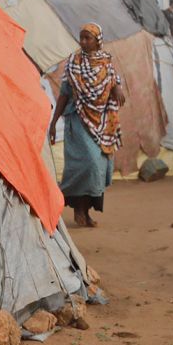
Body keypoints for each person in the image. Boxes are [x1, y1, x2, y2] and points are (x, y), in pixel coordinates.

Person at [48, 23, 126, 228]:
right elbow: (65, 93)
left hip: (102, 122)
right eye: (81, 38)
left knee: (99, 168)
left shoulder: (105, 62)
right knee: (87, 164)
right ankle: (77, 209)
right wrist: (54, 122)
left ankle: (86, 211)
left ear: (97, 41)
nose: (83, 42)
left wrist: (117, 87)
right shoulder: (74, 63)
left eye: (87, 38)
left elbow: (112, 80)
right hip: (78, 119)